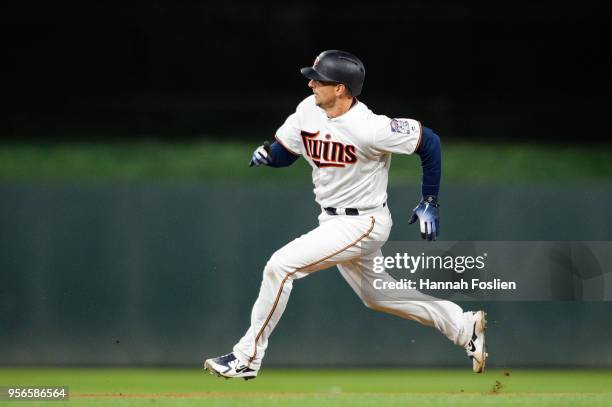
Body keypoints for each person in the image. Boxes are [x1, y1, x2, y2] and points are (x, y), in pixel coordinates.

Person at [204, 50, 487, 380]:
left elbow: (430, 142)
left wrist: (429, 200)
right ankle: (462, 325)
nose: (311, 83)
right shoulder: (307, 111)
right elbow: (287, 152)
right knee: (377, 295)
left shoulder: (371, 128)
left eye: (318, 79)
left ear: (340, 88)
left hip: (363, 222)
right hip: (332, 220)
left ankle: (246, 358)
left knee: (280, 267)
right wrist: (269, 153)